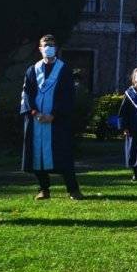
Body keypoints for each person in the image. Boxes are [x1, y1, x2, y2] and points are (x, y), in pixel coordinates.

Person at [20, 35, 83, 200]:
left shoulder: (64, 70)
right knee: (37, 156)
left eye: (51, 45)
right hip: (37, 120)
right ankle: (43, 189)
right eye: (45, 45)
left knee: (63, 155)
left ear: (56, 48)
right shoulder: (32, 70)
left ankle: (73, 189)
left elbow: (68, 96)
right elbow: (27, 94)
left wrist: (54, 114)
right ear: (40, 49)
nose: (48, 47)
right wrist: (35, 112)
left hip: (57, 121)